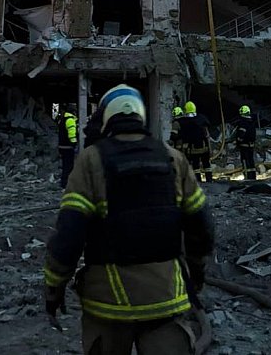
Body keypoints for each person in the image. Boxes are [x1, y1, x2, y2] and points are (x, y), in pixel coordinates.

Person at [43, 84, 214, 355]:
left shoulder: (90, 160)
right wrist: (196, 276)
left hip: (108, 305)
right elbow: (201, 227)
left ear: (105, 116)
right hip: (165, 298)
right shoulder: (173, 158)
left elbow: (69, 235)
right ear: (141, 115)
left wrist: (54, 288)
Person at [177, 102, 212, 183]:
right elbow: (207, 134)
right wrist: (209, 147)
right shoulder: (202, 119)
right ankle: (209, 180)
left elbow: (184, 136)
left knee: (196, 165)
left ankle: (198, 180)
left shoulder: (185, 122)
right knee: (206, 164)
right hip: (204, 146)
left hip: (193, 148)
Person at [58, 105, 78, 188]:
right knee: (69, 166)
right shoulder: (70, 120)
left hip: (62, 146)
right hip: (68, 147)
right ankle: (66, 183)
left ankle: (64, 182)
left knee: (65, 165)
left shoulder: (63, 119)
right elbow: (71, 132)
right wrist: (74, 143)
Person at [235, 105, 257, 181]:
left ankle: (247, 177)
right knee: (251, 161)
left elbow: (241, 134)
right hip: (251, 146)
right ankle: (253, 177)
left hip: (244, 146)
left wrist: (238, 142)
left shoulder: (243, 123)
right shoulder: (251, 122)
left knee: (245, 161)